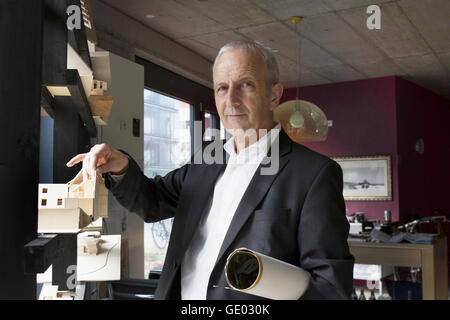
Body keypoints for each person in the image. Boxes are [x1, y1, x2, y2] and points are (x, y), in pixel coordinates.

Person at [67, 41, 354, 300]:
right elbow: (153, 202)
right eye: (222, 87)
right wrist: (120, 167)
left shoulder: (314, 175)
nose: (231, 100)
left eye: (247, 84)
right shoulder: (207, 158)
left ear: (274, 95)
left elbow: (329, 288)